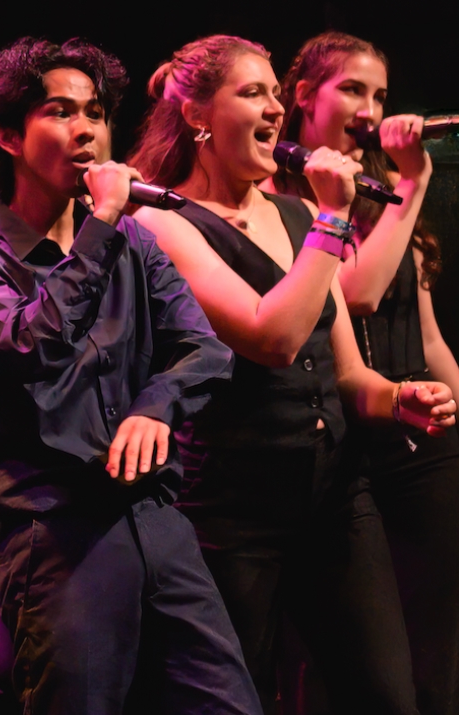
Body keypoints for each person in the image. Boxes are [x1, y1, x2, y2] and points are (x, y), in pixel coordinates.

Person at [0, 36, 258, 715]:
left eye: (97, 113)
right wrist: (102, 221)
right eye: (62, 111)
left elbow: (204, 348)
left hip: (156, 522)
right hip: (55, 532)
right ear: (11, 136)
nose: (88, 130)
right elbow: (28, 347)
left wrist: (155, 406)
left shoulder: (135, 243)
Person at [127, 34, 457, 715]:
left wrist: (397, 398)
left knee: (389, 698)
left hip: (335, 498)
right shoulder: (164, 223)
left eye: (277, 93)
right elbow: (270, 336)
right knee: (237, 699)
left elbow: (347, 374)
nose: (276, 108)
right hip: (232, 511)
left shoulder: (297, 214)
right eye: (253, 93)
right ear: (196, 116)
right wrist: (334, 216)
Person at [268, 31, 459, 715]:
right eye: (352, 88)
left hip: (428, 448)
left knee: (441, 661)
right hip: (352, 445)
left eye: (378, 93)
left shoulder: (384, 193)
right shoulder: (285, 198)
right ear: (302, 96)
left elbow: (427, 334)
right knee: (357, 671)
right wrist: (416, 182)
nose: (369, 107)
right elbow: (354, 294)